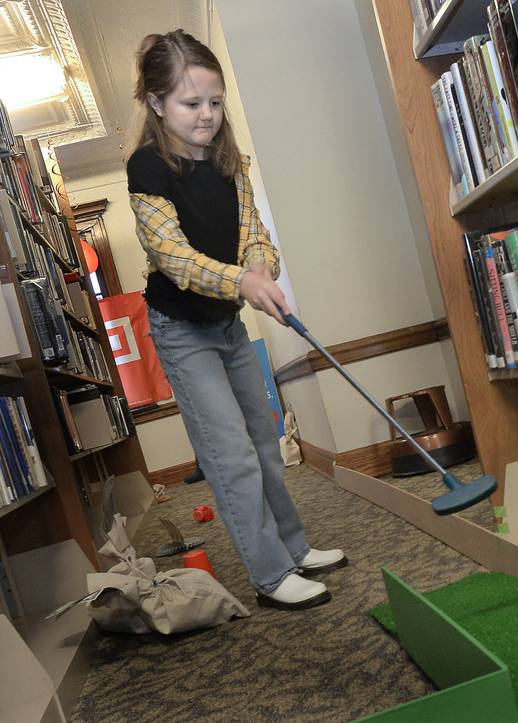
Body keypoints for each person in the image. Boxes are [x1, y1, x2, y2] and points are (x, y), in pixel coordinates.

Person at [127, 30, 346, 611]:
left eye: (215, 102)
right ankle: (270, 576)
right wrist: (241, 281)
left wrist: (258, 268)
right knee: (232, 456)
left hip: (225, 325)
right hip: (181, 330)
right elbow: (173, 258)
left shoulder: (231, 161)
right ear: (156, 103)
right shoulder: (147, 168)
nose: (206, 116)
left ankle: (294, 550)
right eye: (190, 104)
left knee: (265, 443)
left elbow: (253, 233)